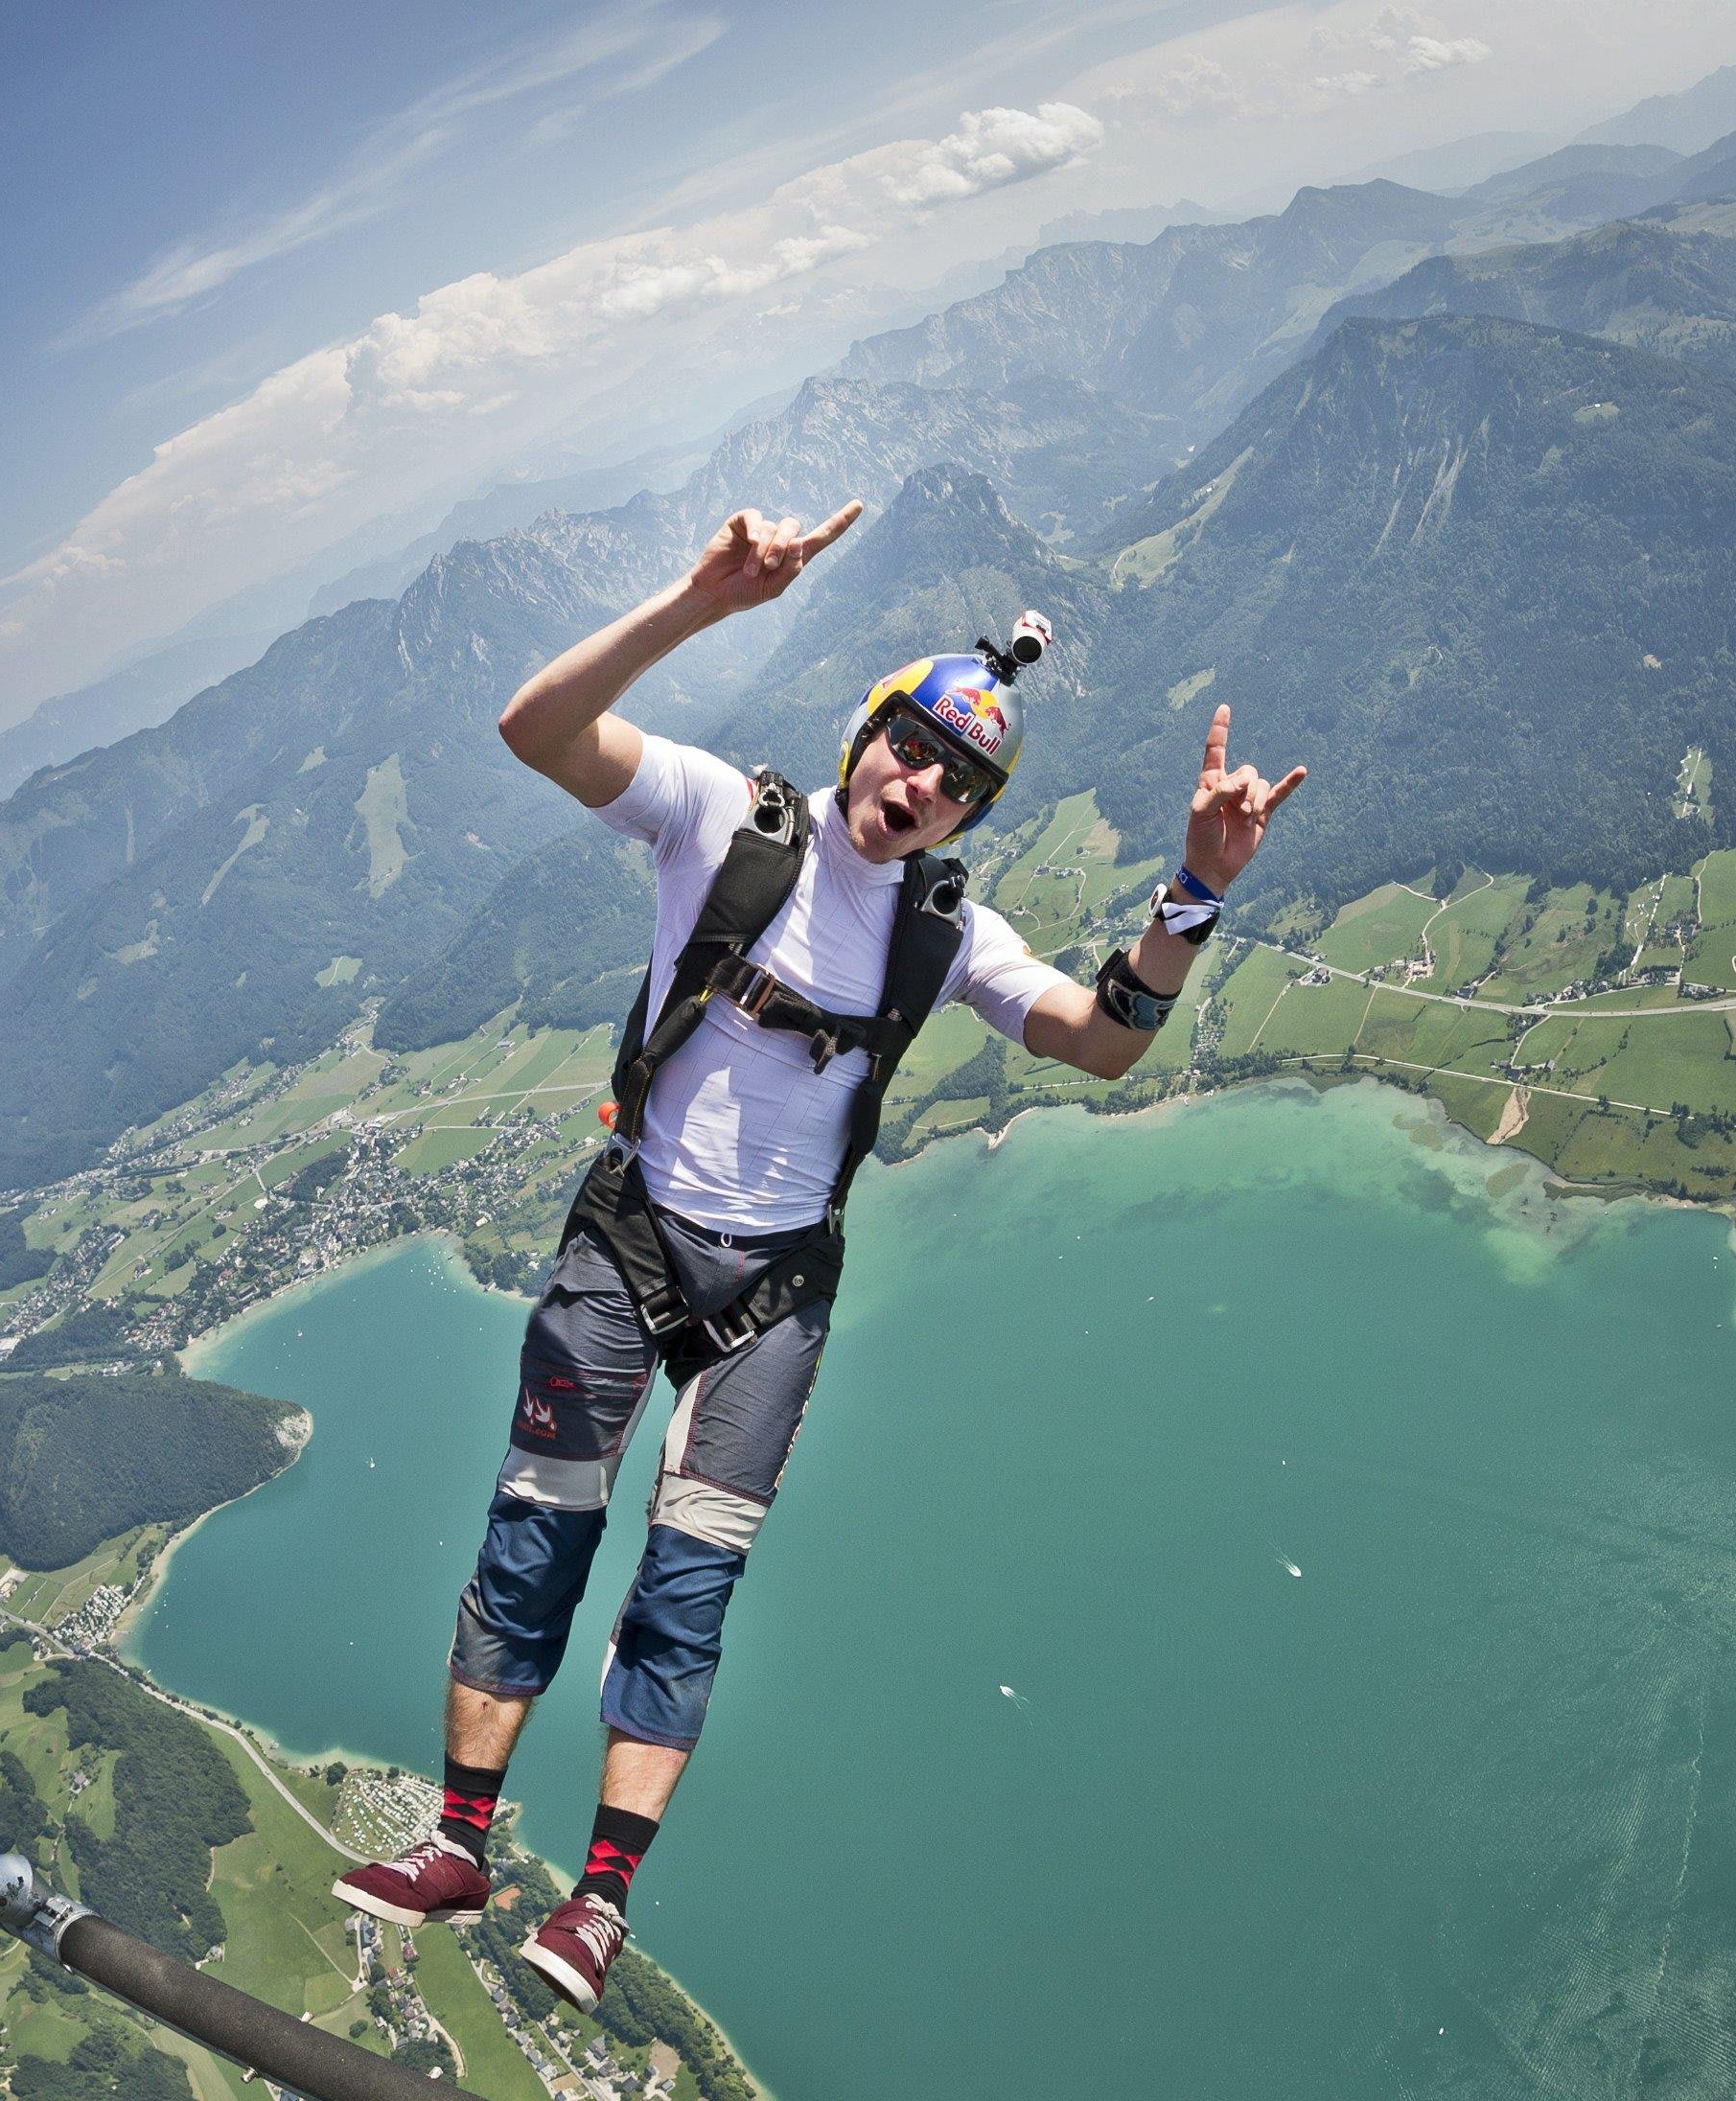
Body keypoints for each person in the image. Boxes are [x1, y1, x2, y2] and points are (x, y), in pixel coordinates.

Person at [334, 500, 1305, 2008]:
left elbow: (1101, 1041)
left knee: (685, 1592)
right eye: (907, 747)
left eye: (953, 783)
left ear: (971, 818)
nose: (915, 787)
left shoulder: (944, 929)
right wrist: (697, 605)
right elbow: (537, 727)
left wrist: (1197, 892)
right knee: (539, 1532)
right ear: (866, 731)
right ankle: (458, 1842)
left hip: (773, 1295)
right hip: (633, 1236)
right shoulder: (724, 818)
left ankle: (596, 1905)